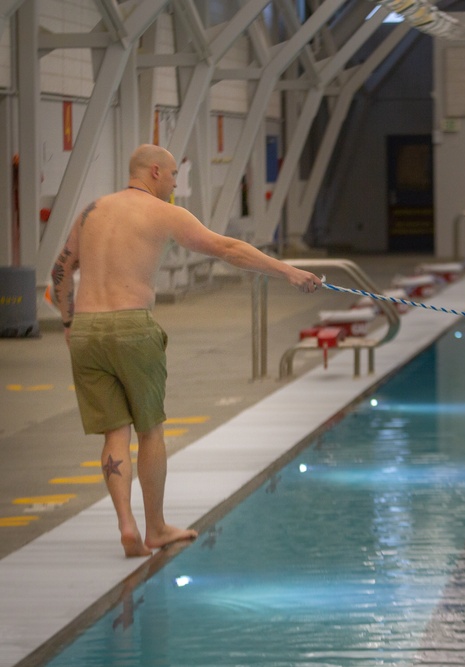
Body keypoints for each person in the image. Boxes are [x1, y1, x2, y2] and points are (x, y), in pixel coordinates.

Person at [50, 144, 322, 557]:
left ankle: (126, 524)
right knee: (150, 428)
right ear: (155, 171)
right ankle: (155, 527)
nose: (176, 184)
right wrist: (288, 271)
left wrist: (70, 321)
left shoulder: (92, 211)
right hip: (131, 327)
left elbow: (60, 271)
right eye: (175, 175)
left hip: (87, 330)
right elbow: (228, 249)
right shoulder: (164, 214)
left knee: (113, 432)